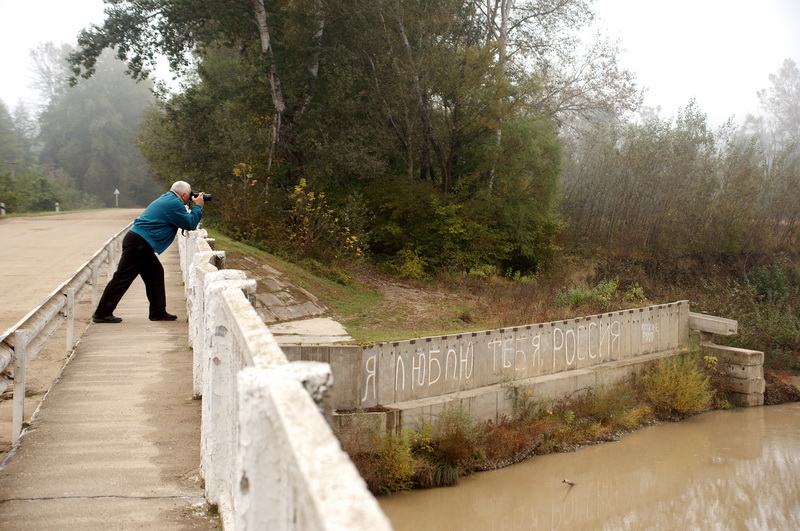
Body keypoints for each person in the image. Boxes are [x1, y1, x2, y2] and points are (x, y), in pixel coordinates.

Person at [92, 181, 205, 323]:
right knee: (122, 278)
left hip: (140, 242)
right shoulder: (174, 204)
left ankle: (158, 312)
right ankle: (102, 313)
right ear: (183, 195)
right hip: (139, 243)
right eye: (189, 195)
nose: (190, 198)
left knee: (155, 274)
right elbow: (190, 224)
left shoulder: (168, 198)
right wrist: (198, 206)